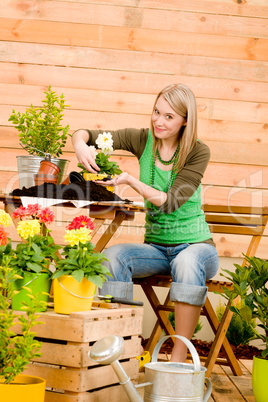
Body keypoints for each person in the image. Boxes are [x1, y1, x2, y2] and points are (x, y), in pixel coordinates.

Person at [72, 83, 219, 362]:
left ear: (185, 120)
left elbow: (171, 201)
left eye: (169, 116)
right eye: (156, 111)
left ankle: (178, 356)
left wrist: (130, 180)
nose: (158, 121)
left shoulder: (198, 152)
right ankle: (121, 346)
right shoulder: (142, 140)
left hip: (197, 249)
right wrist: (81, 145)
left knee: (186, 262)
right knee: (113, 257)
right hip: (156, 250)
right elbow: (85, 133)